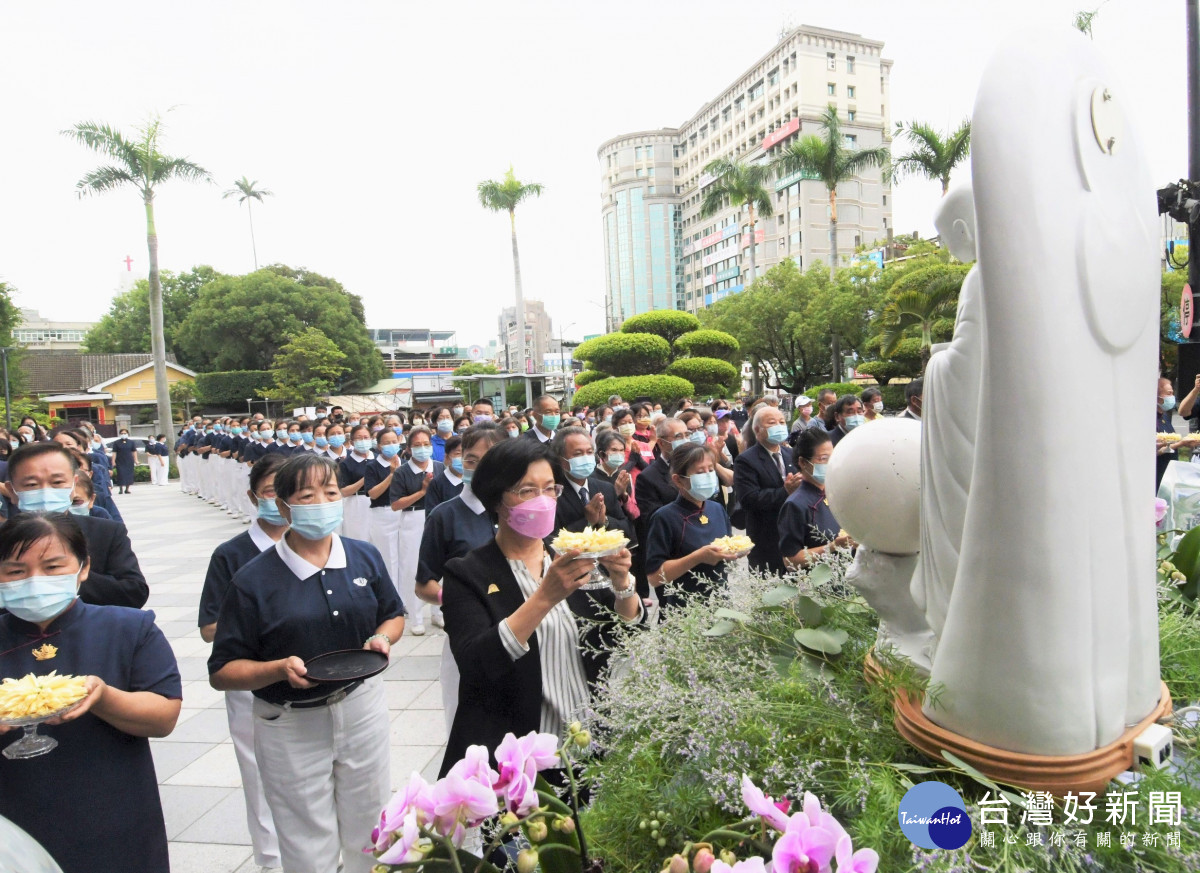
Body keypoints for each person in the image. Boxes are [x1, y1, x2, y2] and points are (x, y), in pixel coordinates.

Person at [208, 454, 404, 873]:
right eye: (306, 496)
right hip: (289, 722)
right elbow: (222, 671)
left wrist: (383, 637)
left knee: (371, 827)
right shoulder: (253, 580)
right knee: (306, 844)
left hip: (360, 707)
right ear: (283, 507)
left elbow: (393, 613)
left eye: (330, 493)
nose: (321, 503)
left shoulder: (363, 557)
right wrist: (276, 669)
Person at [438, 438, 642, 776]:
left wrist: (623, 584)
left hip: (594, 746)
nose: (544, 501)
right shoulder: (467, 573)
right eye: (527, 491)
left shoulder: (573, 554)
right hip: (522, 758)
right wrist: (544, 597)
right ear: (496, 499)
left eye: (550, 489)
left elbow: (625, 634)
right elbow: (476, 663)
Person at [0, 513, 182, 873]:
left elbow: (164, 716)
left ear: (83, 568)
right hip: (13, 820)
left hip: (111, 810)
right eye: (16, 571)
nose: (35, 581)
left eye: (53, 566)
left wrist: (103, 697)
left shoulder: (129, 628)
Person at [196, 454, 288, 871]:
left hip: (316, 682)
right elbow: (210, 627)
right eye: (271, 492)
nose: (282, 501)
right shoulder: (231, 555)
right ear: (253, 497)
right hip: (252, 683)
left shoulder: (328, 547)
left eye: (291, 492)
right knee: (261, 779)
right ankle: (272, 862)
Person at [416, 424, 504, 732]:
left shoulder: (514, 511)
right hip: (467, 634)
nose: (478, 467)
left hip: (518, 626)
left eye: (488, 458)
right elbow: (423, 584)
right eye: (470, 459)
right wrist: (454, 599)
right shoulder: (444, 515)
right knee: (466, 725)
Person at [2, 442, 148, 608]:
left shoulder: (106, 532)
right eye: (31, 485)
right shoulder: (3, 537)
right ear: (12, 490)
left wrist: (68, 573)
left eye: (57, 482)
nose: (45, 490)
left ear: (73, 484)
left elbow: (134, 593)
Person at [644, 441, 734, 611]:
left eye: (711, 470)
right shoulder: (664, 517)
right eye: (700, 472)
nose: (708, 476)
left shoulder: (717, 509)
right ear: (678, 480)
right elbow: (655, 577)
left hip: (720, 602)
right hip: (683, 608)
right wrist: (697, 557)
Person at [733, 405, 801, 575]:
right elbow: (749, 499)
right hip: (766, 537)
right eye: (772, 423)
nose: (779, 426)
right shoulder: (746, 460)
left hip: (793, 533)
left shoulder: (790, 454)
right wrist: (785, 491)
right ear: (758, 430)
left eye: (782, 421)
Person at [389, 424, 442, 634]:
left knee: (440, 566)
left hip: (436, 518)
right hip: (412, 519)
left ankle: (439, 612)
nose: (423, 448)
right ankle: (416, 617)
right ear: (409, 448)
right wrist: (422, 492)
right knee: (412, 567)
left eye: (426, 444)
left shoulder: (439, 467)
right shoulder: (402, 472)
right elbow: (395, 504)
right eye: (417, 445)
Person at [778, 428, 856, 566]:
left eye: (832, 458)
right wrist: (832, 547)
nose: (830, 463)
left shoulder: (835, 493)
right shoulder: (795, 504)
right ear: (803, 462)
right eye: (823, 459)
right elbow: (790, 560)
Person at [550, 428, 635, 542]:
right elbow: (552, 539)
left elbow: (627, 530)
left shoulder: (606, 488)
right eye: (578, 454)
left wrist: (604, 520)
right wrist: (588, 521)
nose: (585, 458)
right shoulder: (553, 494)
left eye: (589, 452)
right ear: (561, 459)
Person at [364, 426, 404, 591]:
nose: (391, 445)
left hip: (404, 514)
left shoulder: (406, 463)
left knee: (405, 558)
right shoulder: (372, 466)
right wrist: (391, 475)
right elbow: (372, 493)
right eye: (386, 443)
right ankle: (391, 596)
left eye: (394, 442)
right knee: (389, 558)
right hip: (383, 514)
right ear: (379, 446)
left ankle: (406, 596)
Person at [337, 423, 374, 541]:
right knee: (358, 538)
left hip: (378, 503)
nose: (363, 441)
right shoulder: (346, 463)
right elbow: (344, 491)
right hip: (356, 504)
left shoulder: (378, 459)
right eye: (359, 438)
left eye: (366, 437)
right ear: (352, 442)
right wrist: (365, 479)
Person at [426, 434, 464, 513]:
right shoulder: (437, 484)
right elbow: (432, 516)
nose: (463, 458)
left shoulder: (475, 480)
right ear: (447, 457)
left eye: (466, 453)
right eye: (458, 453)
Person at [1158, 376, 1182, 489]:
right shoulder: (1151, 419)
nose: (1172, 397)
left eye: (1172, 393)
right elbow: (1156, 450)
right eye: (1168, 394)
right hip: (1157, 473)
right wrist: (1181, 444)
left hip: (1167, 473)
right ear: (1157, 397)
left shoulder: (1165, 416)